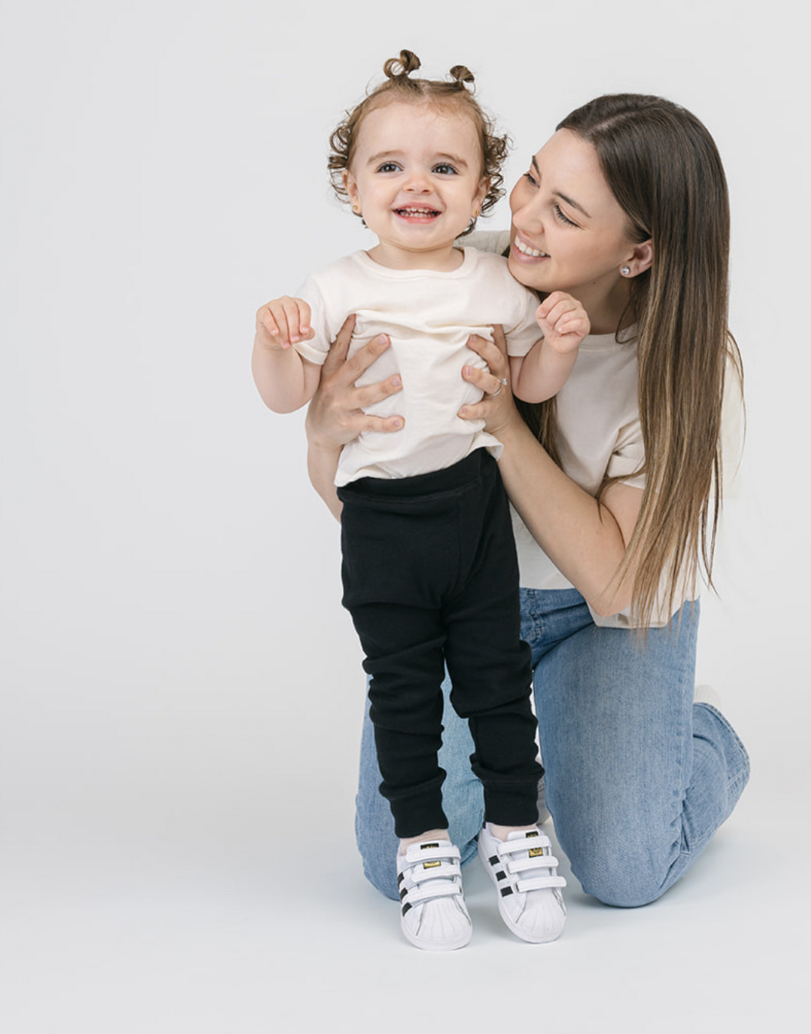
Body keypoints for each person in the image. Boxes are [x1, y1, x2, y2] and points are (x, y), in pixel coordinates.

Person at [305, 91, 751, 917]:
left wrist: (502, 420)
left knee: (623, 871)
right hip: (463, 603)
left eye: (565, 212)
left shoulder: (686, 370)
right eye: (531, 182)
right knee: (390, 858)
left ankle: (698, 737)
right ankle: (549, 767)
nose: (525, 219)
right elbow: (363, 505)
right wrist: (323, 436)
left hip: (601, 615)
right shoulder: (452, 272)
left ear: (637, 255)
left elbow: (616, 584)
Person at [252, 52, 582, 950]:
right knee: (402, 692)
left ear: (480, 192)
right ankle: (424, 847)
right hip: (380, 520)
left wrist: (555, 340)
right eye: (389, 166)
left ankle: (517, 829)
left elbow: (529, 385)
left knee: (494, 682)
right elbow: (287, 398)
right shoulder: (335, 287)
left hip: (474, 508)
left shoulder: (494, 282)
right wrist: (275, 342)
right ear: (351, 184)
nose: (417, 185)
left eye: (445, 168)